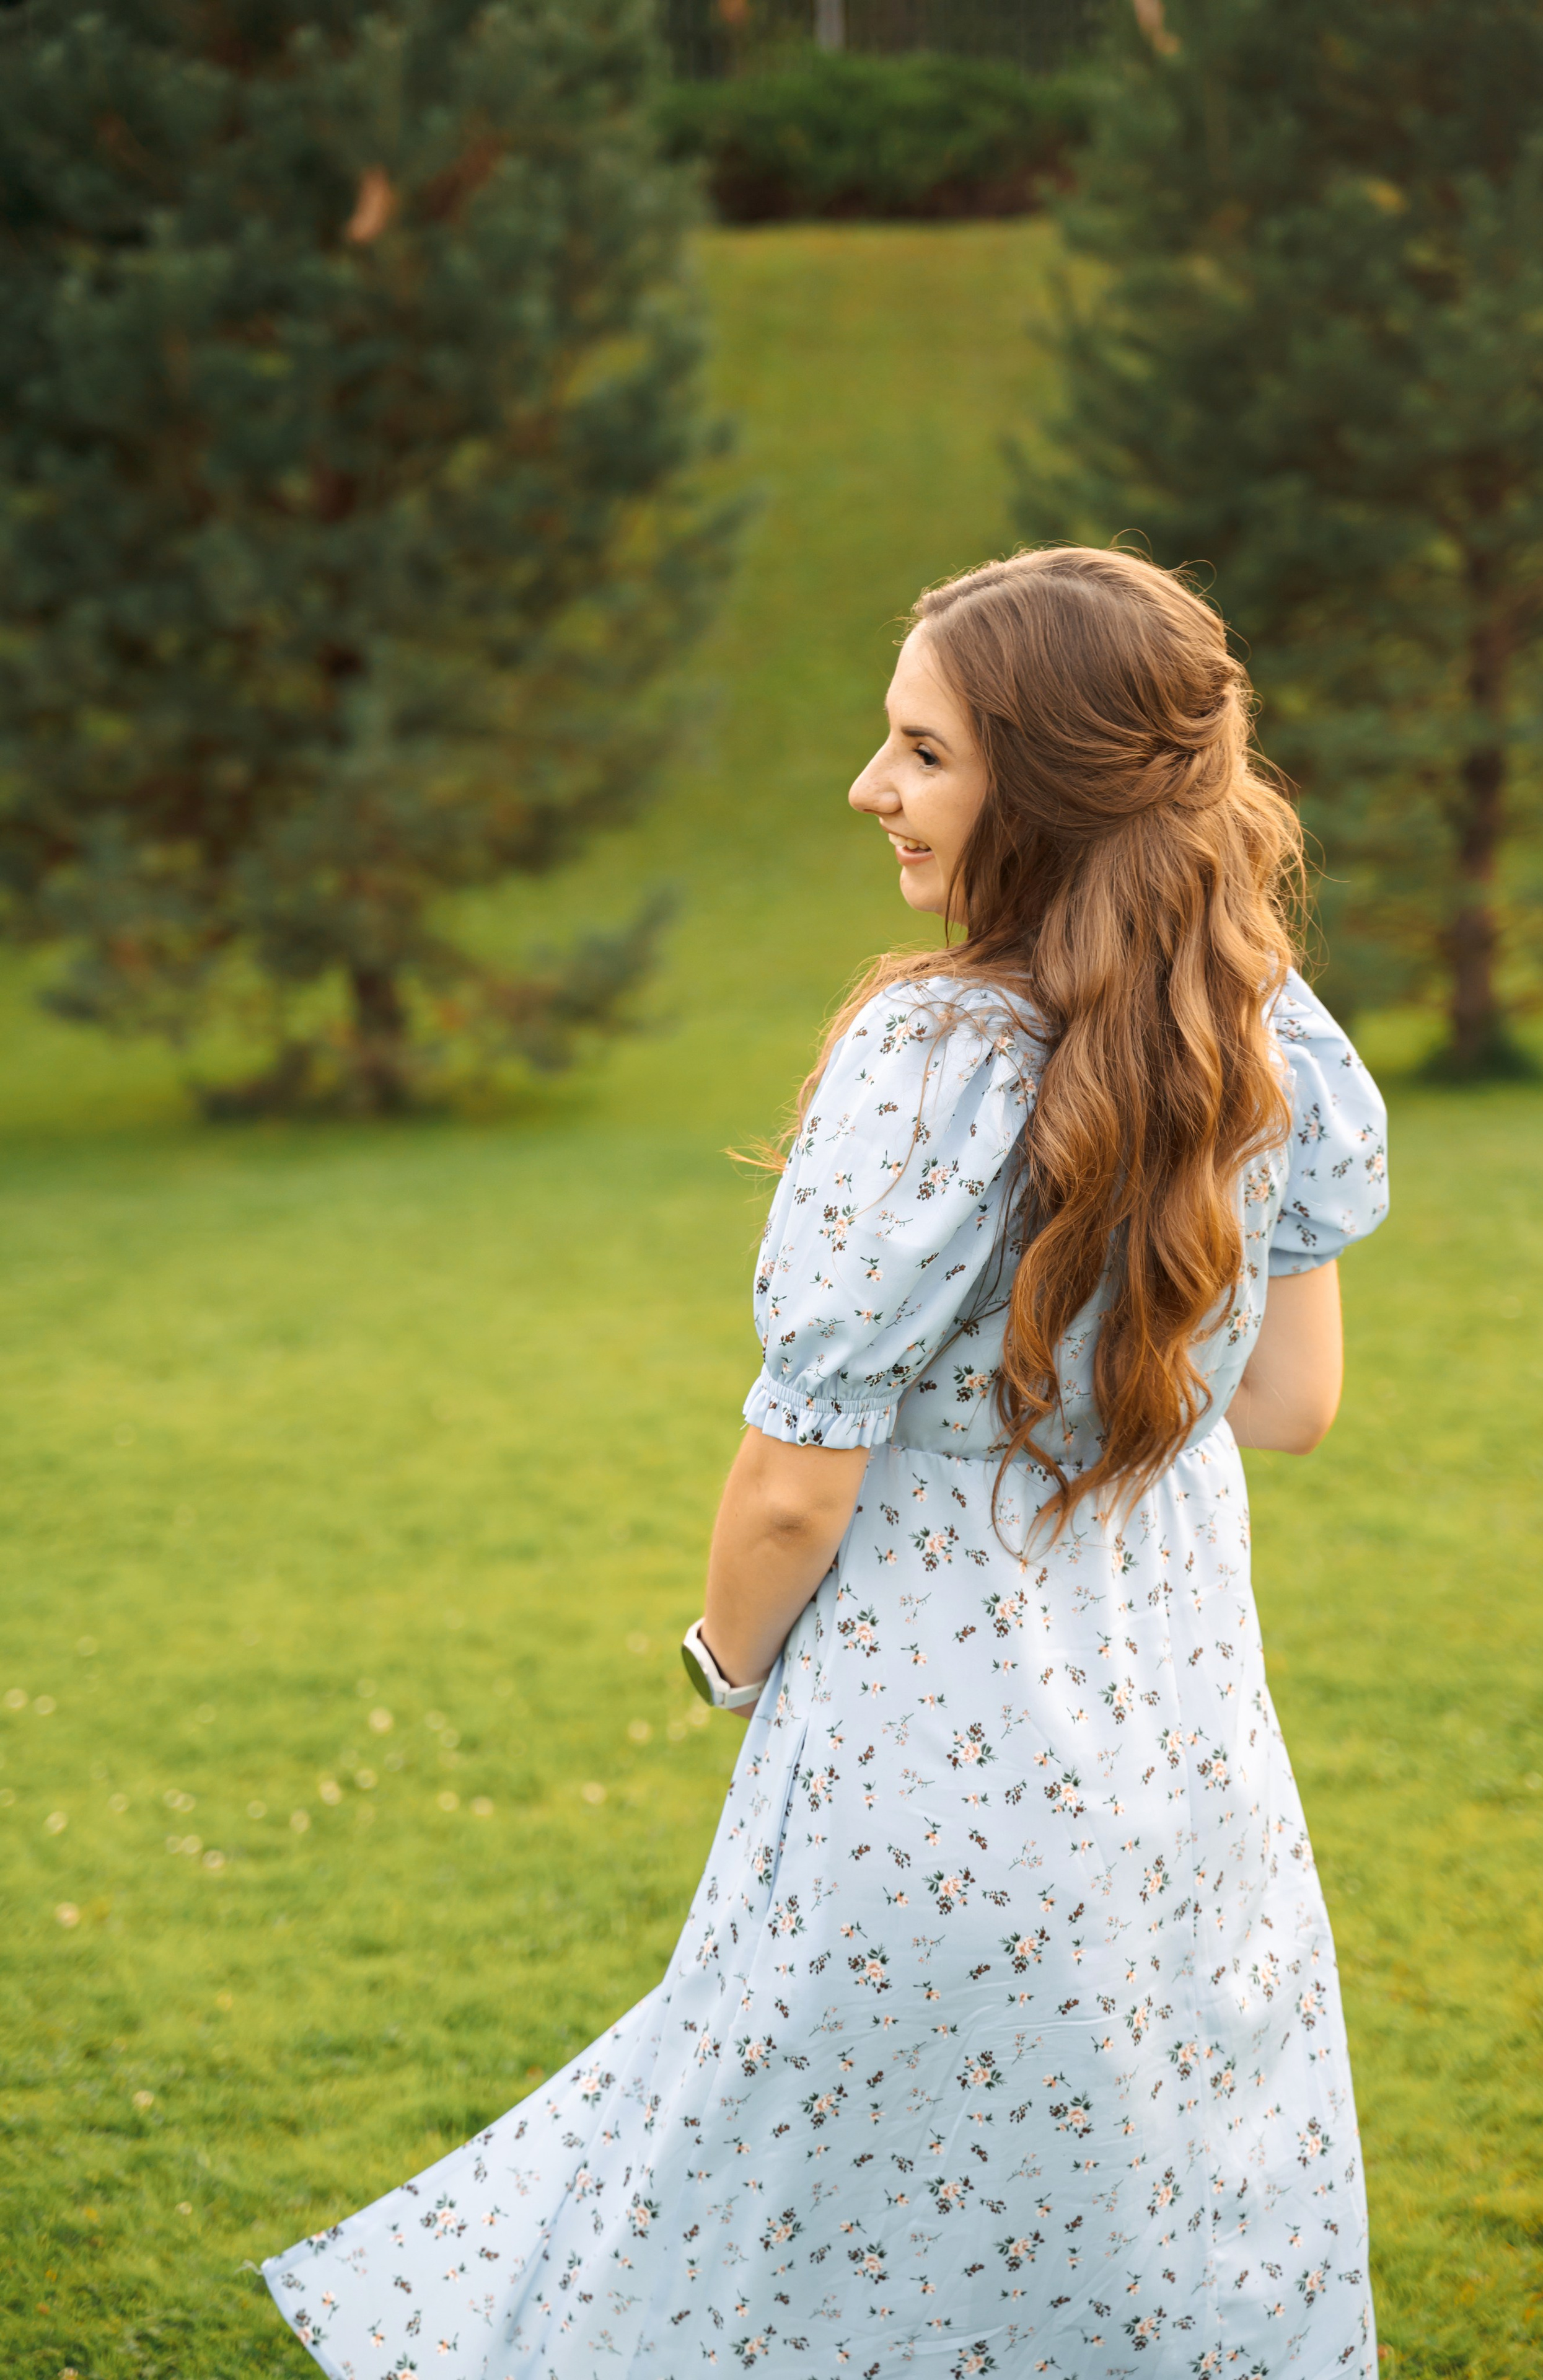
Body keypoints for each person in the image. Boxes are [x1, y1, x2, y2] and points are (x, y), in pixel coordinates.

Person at [265, 547, 1388, 2378]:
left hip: (913, 1758)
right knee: (1140, 2219)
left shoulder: (929, 1059)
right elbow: (1288, 1406)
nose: (871, 788)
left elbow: (797, 1484)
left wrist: (721, 1661)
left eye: (921, 753)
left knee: (767, 2216)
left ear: (1045, 785)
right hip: (1179, 1761)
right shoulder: (1266, 1037)